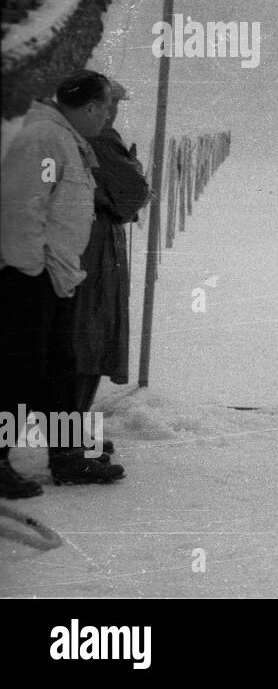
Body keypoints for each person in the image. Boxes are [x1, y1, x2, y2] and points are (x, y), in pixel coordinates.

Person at [2, 70, 125, 497]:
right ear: (89, 106)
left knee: (58, 369)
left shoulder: (64, 137)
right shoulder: (43, 138)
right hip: (28, 276)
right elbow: (20, 208)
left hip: (54, 274)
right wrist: (30, 272)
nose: (109, 114)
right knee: (20, 371)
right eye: (107, 105)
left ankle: (68, 454)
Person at [72, 79, 150, 442]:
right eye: (109, 104)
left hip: (78, 244)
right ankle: (69, 443)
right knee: (89, 338)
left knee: (77, 340)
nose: (113, 111)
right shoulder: (102, 139)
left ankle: (68, 437)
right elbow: (134, 190)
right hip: (95, 246)